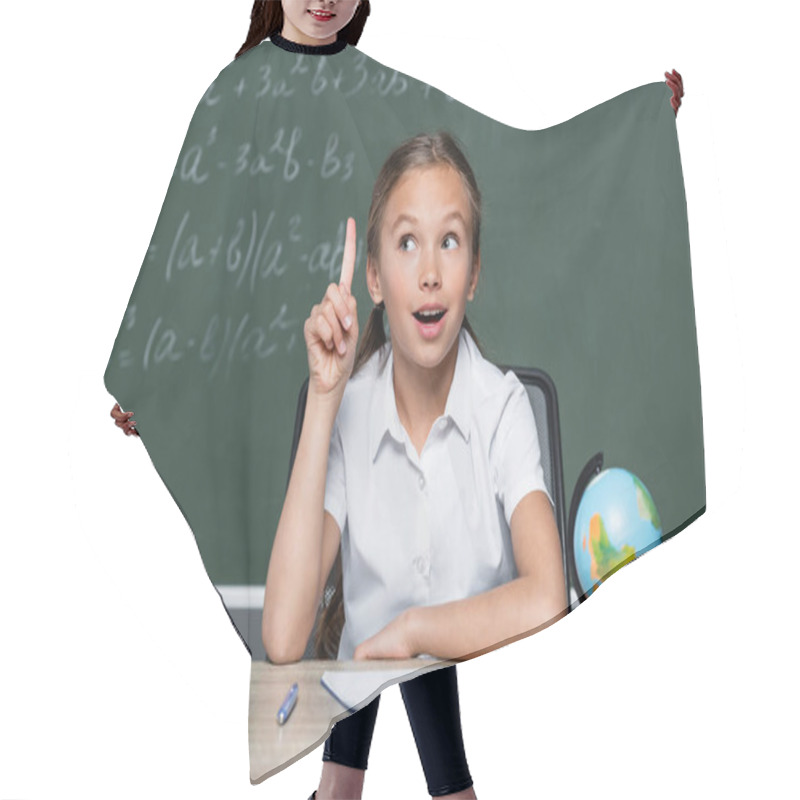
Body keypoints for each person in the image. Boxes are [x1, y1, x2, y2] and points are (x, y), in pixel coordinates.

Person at [264, 126, 571, 798]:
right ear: (374, 277)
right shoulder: (352, 408)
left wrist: (413, 633)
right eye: (407, 243)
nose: (430, 270)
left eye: (449, 241)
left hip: (493, 702)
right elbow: (284, 638)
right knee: (367, 662)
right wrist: (324, 396)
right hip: (364, 678)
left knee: (385, 650)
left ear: (475, 273)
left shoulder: (502, 407)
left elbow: (547, 596)